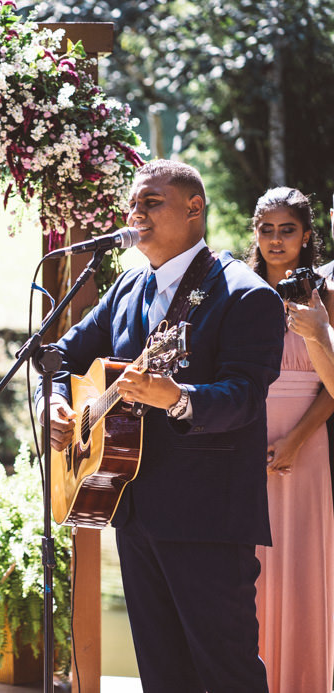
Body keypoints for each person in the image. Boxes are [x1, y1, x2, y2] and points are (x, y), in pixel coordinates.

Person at [40, 159, 284, 691]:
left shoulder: (247, 294)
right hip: (132, 510)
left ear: (194, 209)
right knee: (162, 675)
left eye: (151, 202)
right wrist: (55, 402)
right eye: (133, 204)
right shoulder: (129, 286)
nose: (136, 214)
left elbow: (245, 396)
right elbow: (57, 355)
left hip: (207, 518)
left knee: (228, 673)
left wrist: (177, 397)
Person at [246, 186, 334, 693]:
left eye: (287, 230)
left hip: (307, 446)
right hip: (244, 446)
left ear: (306, 235)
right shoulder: (236, 288)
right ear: (255, 234)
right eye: (266, 229)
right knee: (248, 575)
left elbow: (332, 386)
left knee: (301, 569)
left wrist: (297, 441)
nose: (276, 240)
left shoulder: (326, 294)